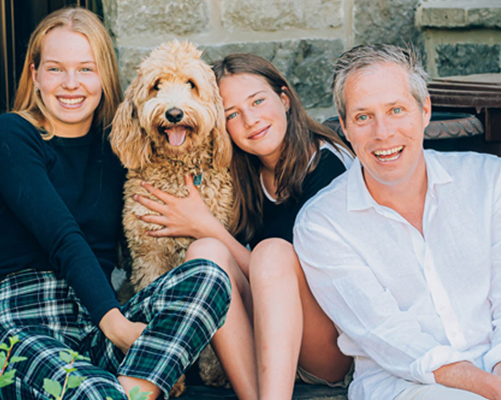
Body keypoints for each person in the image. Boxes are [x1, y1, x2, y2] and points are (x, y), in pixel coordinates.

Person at [0, 8, 230, 400]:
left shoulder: (119, 150)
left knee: (210, 277)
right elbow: (62, 237)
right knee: (92, 392)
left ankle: (130, 390)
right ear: (34, 75)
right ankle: (128, 389)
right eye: (56, 69)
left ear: (104, 77)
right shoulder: (8, 135)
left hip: (94, 325)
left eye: (86, 69)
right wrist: (120, 326)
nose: (71, 84)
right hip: (23, 320)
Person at [293, 43, 501, 400]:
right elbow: (387, 335)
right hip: (409, 384)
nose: (383, 132)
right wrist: (494, 390)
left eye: (396, 110)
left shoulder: (491, 180)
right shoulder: (322, 224)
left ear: (425, 111)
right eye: (363, 117)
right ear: (344, 127)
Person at [134, 53, 354, 400]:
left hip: (327, 348)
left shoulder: (328, 167)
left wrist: (205, 224)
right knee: (204, 252)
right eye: (232, 114)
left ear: (284, 98)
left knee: (271, 252)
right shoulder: (244, 170)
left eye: (258, 101)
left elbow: (314, 285)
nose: (250, 120)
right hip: (267, 344)